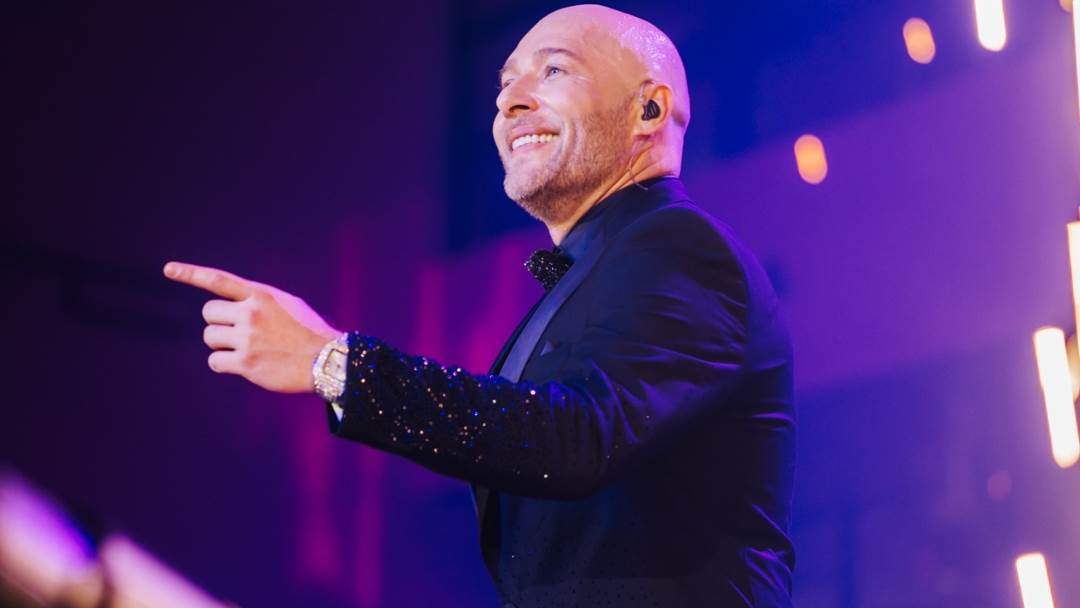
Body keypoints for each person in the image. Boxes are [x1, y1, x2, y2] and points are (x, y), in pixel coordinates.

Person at [164, 4, 796, 606]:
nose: (508, 101)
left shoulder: (680, 246)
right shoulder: (597, 270)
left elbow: (577, 437)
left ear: (649, 109)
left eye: (553, 70)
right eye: (503, 83)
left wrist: (335, 362)